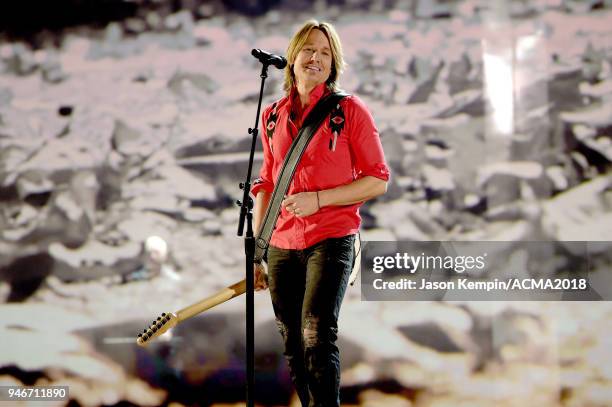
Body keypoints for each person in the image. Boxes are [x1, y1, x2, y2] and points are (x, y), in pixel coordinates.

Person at [251, 19, 389, 407]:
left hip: (331, 236)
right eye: (309, 49)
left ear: (334, 64)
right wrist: (257, 253)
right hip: (280, 242)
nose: (316, 58)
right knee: (293, 343)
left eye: (326, 53)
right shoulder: (273, 115)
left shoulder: (349, 111)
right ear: (293, 57)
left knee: (316, 334)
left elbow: (378, 179)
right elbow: (266, 182)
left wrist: (320, 199)